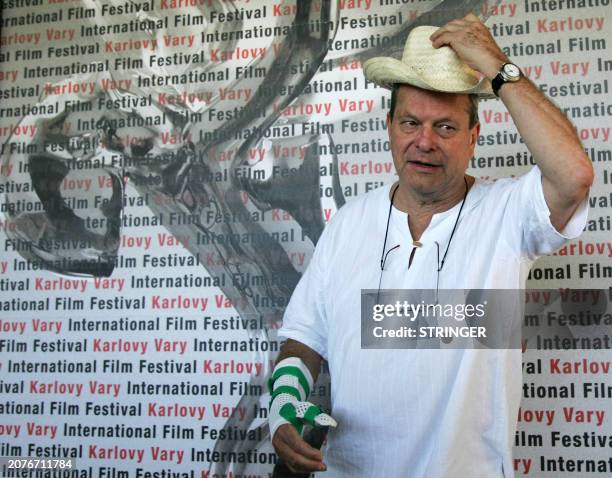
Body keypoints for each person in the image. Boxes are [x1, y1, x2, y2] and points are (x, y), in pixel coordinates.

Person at [268, 14, 593, 477]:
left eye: (445, 127)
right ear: (389, 128)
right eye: (410, 122)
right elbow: (303, 339)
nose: (424, 142)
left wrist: (497, 67)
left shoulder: (508, 213)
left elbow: (575, 175)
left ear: (473, 137)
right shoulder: (348, 223)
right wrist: (283, 411)